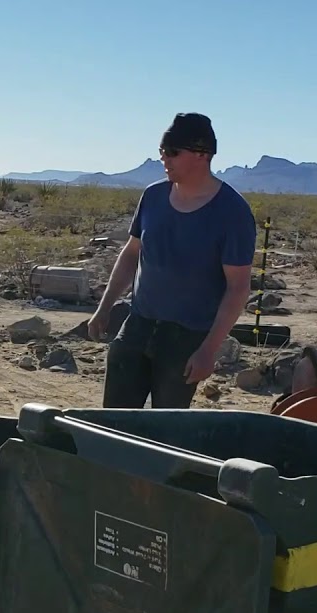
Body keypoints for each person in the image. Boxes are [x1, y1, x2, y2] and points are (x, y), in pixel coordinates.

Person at [87, 112, 256, 409]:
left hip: (186, 338)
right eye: (162, 152)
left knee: (165, 431)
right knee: (113, 420)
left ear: (203, 155)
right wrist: (105, 307)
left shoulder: (233, 213)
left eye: (173, 152)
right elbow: (131, 253)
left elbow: (238, 287)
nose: (164, 159)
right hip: (137, 325)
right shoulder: (152, 197)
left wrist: (209, 350)